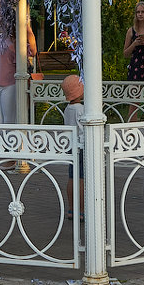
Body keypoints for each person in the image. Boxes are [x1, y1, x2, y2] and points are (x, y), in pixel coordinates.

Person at [61, 74, 85, 223]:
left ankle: (71, 208)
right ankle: (81, 210)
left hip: (71, 146)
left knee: (72, 177)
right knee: (82, 179)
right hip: (81, 147)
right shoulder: (81, 109)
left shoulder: (68, 109)